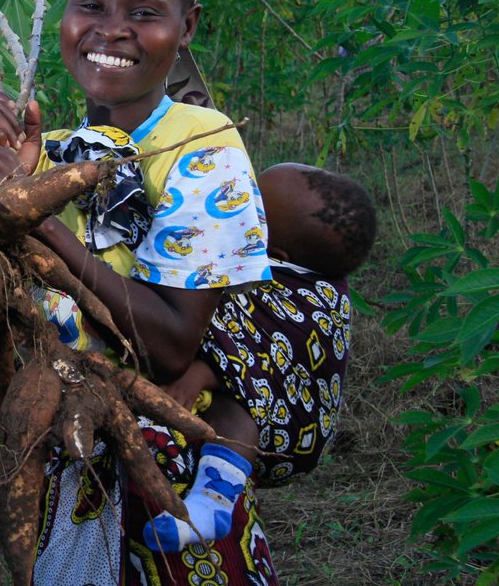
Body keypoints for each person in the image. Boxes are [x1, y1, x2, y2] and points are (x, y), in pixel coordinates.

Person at [0, 0, 277, 585]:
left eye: (144, 12)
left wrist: (37, 217)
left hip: (168, 470)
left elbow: (167, 348)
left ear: (187, 26)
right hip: (59, 460)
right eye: (92, 6)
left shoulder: (202, 143)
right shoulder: (50, 150)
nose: (112, 29)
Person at [147, 163, 378, 551]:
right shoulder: (286, 260)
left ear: (277, 252)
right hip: (256, 381)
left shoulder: (306, 297)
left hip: (289, 425)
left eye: (254, 205)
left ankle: (212, 502)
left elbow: (268, 352)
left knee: (238, 415)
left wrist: (205, 372)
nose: (243, 199)